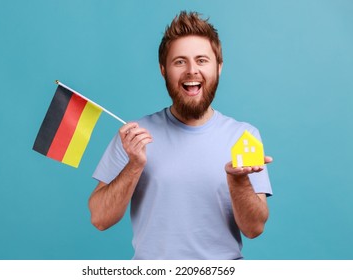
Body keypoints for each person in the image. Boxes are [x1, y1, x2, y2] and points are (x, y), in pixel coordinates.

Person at [88, 11, 273, 260]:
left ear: (219, 68)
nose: (191, 71)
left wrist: (238, 181)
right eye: (179, 62)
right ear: (163, 70)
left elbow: (254, 229)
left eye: (202, 60)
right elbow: (100, 219)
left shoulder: (244, 136)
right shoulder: (134, 136)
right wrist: (134, 166)